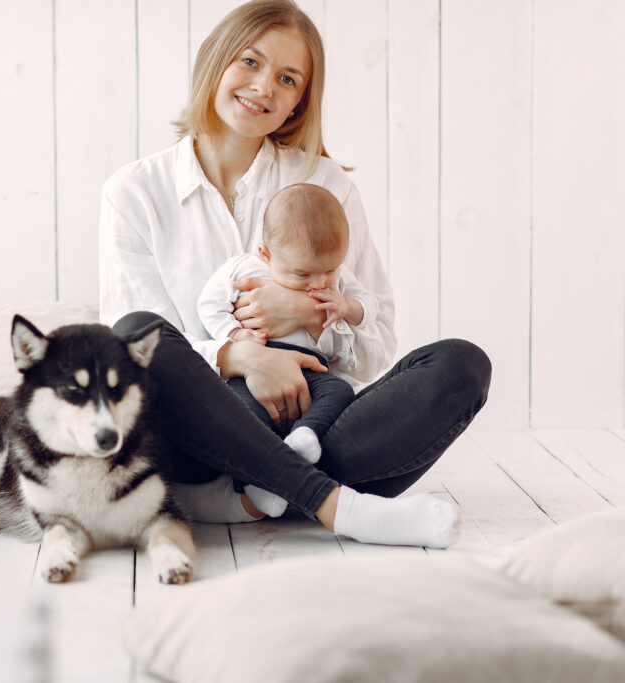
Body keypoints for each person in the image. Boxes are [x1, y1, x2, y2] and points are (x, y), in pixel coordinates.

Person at [98, 0, 491, 548]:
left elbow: (377, 346)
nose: (263, 87)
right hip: (203, 436)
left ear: (298, 102)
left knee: (461, 364)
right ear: (216, 61)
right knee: (132, 332)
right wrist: (243, 356)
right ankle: (334, 505)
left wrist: (312, 314)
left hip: (323, 424)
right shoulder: (135, 192)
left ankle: (258, 496)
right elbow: (134, 357)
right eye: (251, 62)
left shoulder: (326, 184)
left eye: (287, 78)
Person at [195, 183, 363, 516]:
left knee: (340, 390)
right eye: (303, 274)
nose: (319, 283)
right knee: (243, 414)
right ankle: (255, 486)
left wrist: (345, 306)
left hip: (313, 372)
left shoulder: (336, 282)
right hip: (253, 372)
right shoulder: (244, 269)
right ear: (266, 254)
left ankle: (305, 435)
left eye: (330, 270)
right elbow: (209, 303)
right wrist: (236, 334)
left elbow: (368, 307)